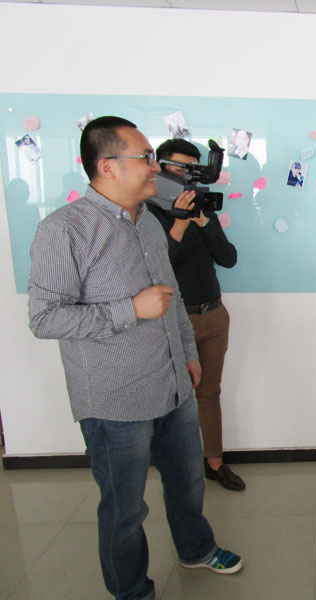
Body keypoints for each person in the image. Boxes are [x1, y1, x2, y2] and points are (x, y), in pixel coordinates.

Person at [27, 116, 242, 600]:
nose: (155, 168)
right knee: (125, 509)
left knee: (187, 483)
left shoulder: (147, 221)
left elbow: (171, 296)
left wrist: (187, 352)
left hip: (173, 383)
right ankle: (132, 591)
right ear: (107, 166)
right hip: (114, 400)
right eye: (145, 158)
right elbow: (44, 318)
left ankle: (196, 549)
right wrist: (130, 309)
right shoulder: (63, 230)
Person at [147, 138, 244, 492]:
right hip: (175, 320)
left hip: (213, 314)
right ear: (160, 167)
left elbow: (228, 258)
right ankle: (177, 468)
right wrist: (179, 222)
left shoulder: (201, 208)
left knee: (209, 393)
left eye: (192, 169)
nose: (185, 176)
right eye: (178, 167)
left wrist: (202, 220)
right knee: (173, 398)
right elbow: (160, 268)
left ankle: (215, 463)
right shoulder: (148, 213)